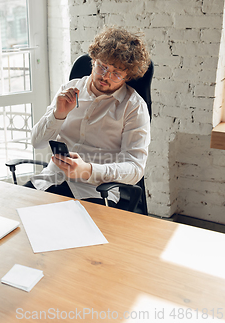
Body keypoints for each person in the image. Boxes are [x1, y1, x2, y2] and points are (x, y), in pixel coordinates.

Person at [25, 26, 151, 207]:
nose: (106, 76)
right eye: (102, 67)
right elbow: (37, 143)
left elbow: (135, 168)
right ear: (93, 61)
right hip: (50, 179)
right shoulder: (69, 89)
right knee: (13, 216)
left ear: (127, 76)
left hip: (95, 191)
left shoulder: (134, 107)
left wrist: (89, 170)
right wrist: (58, 114)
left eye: (116, 73)